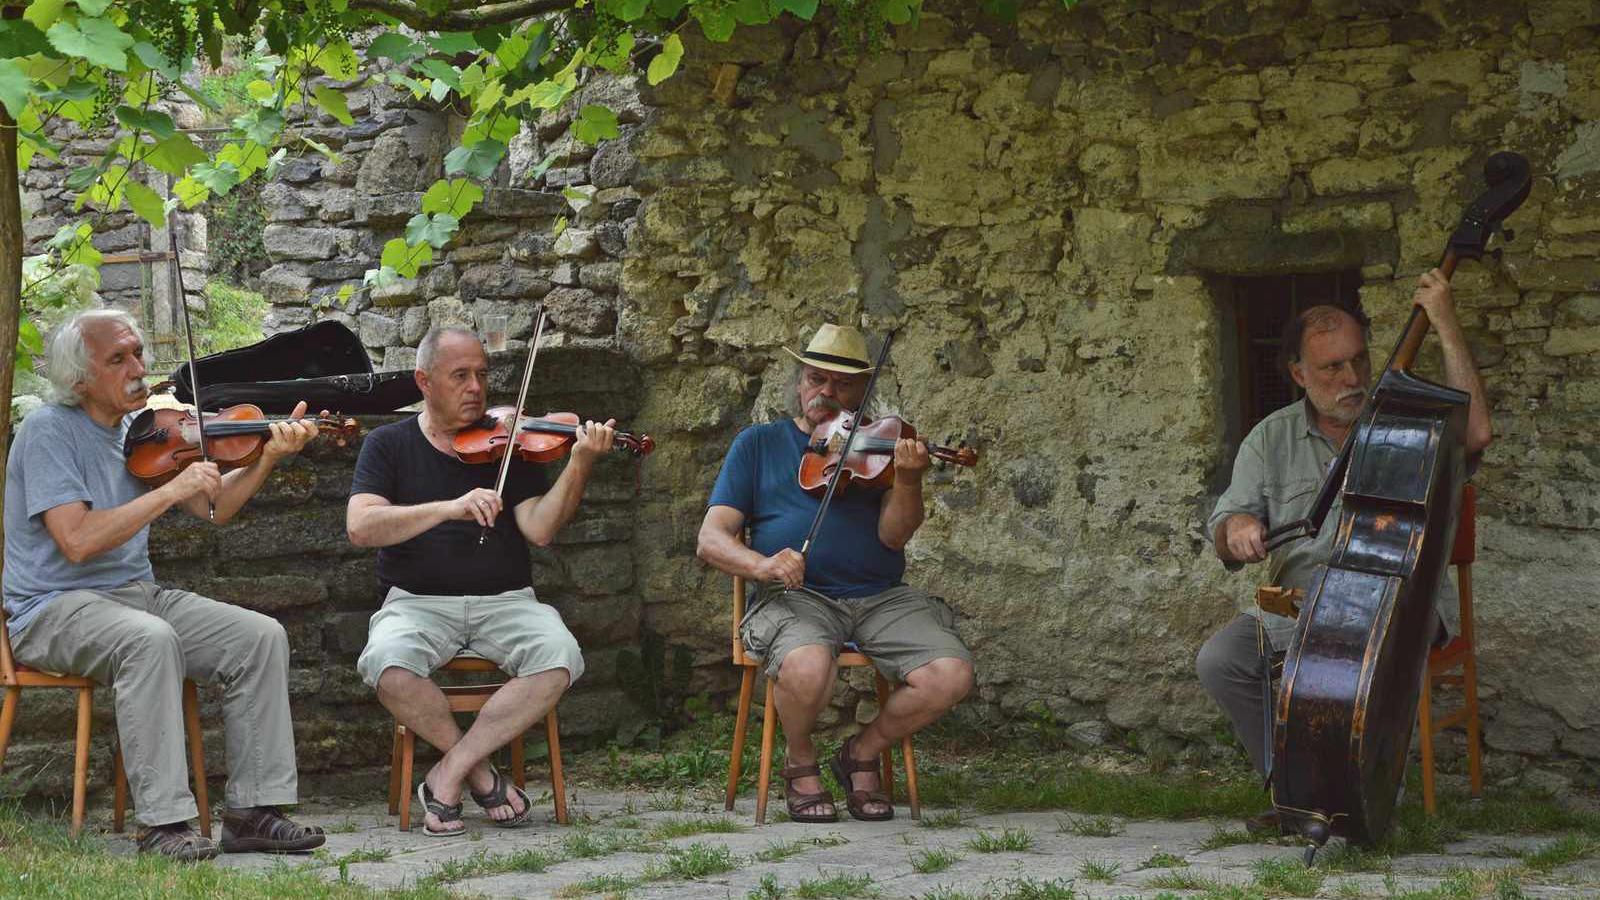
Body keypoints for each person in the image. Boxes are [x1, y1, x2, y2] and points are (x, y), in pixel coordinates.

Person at [3, 309, 325, 860]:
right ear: (79, 378)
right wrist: (168, 495)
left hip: (135, 597)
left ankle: (253, 811)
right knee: (149, 640)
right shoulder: (47, 432)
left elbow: (215, 505)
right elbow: (77, 540)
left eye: (138, 352)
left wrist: (267, 456)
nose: (138, 367)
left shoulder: (145, 429)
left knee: (259, 636)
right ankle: (163, 826)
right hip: (52, 608)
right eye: (118, 359)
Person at [1196, 270, 1493, 830]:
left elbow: (1476, 433)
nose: (1353, 377)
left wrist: (1446, 322)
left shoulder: (1407, 423)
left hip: (1396, 605)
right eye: (1333, 367)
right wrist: (1235, 527)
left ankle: (1361, 801)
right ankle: (1294, 793)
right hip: (1299, 605)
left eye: (1358, 360)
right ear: (1298, 374)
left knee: (1349, 660)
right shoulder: (1271, 437)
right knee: (1222, 660)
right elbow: (1225, 527)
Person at [696, 323, 974, 823]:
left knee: (950, 675)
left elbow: (894, 536)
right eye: (815, 379)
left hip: (880, 597)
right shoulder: (757, 444)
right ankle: (800, 760)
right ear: (799, 382)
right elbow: (711, 538)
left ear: (864, 392)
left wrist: (908, 481)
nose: (825, 393)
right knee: (805, 665)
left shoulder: (885, 445)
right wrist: (764, 564)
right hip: (796, 598)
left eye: (842, 385)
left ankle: (861, 753)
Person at [346, 325, 613, 836]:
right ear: (424, 381)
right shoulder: (388, 445)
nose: (476, 388)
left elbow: (538, 529)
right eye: (460, 376)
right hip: (416, 603)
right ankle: (483, 775)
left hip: (507, 601)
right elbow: (361, 526)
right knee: (386, 664)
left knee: (559, 657)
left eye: (482, 375)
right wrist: (450, 508)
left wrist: (578, 464)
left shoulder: (510, 446)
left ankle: (448, 771)